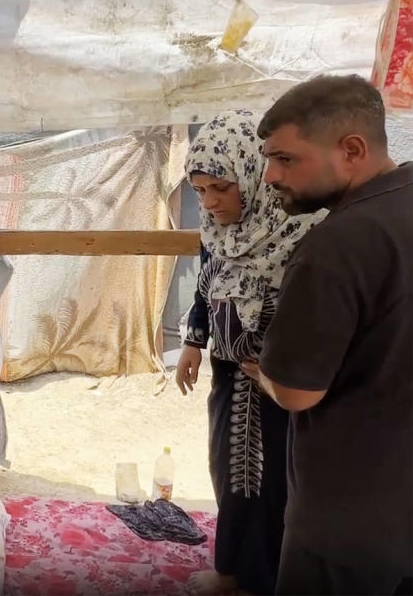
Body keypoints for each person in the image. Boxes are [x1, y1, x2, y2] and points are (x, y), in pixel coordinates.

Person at [241, 75, 413, 595]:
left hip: (350, 524)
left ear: (352, 150)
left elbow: (297, 391)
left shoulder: (337, 245)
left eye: (286, 159)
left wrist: (263, 374)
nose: (270, 176)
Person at [175, 110, 324, 595]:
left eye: (221, 187)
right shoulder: (216, 235)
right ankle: (232, 571)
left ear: (252, 176)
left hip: (284, 388)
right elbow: (205, 288)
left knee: (279, 485)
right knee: (230, 475)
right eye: (199, 191)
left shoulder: (301, 232)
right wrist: (193, 343)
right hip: (230, 375)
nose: (210, 202)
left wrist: (280, 369)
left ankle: (267, 578)